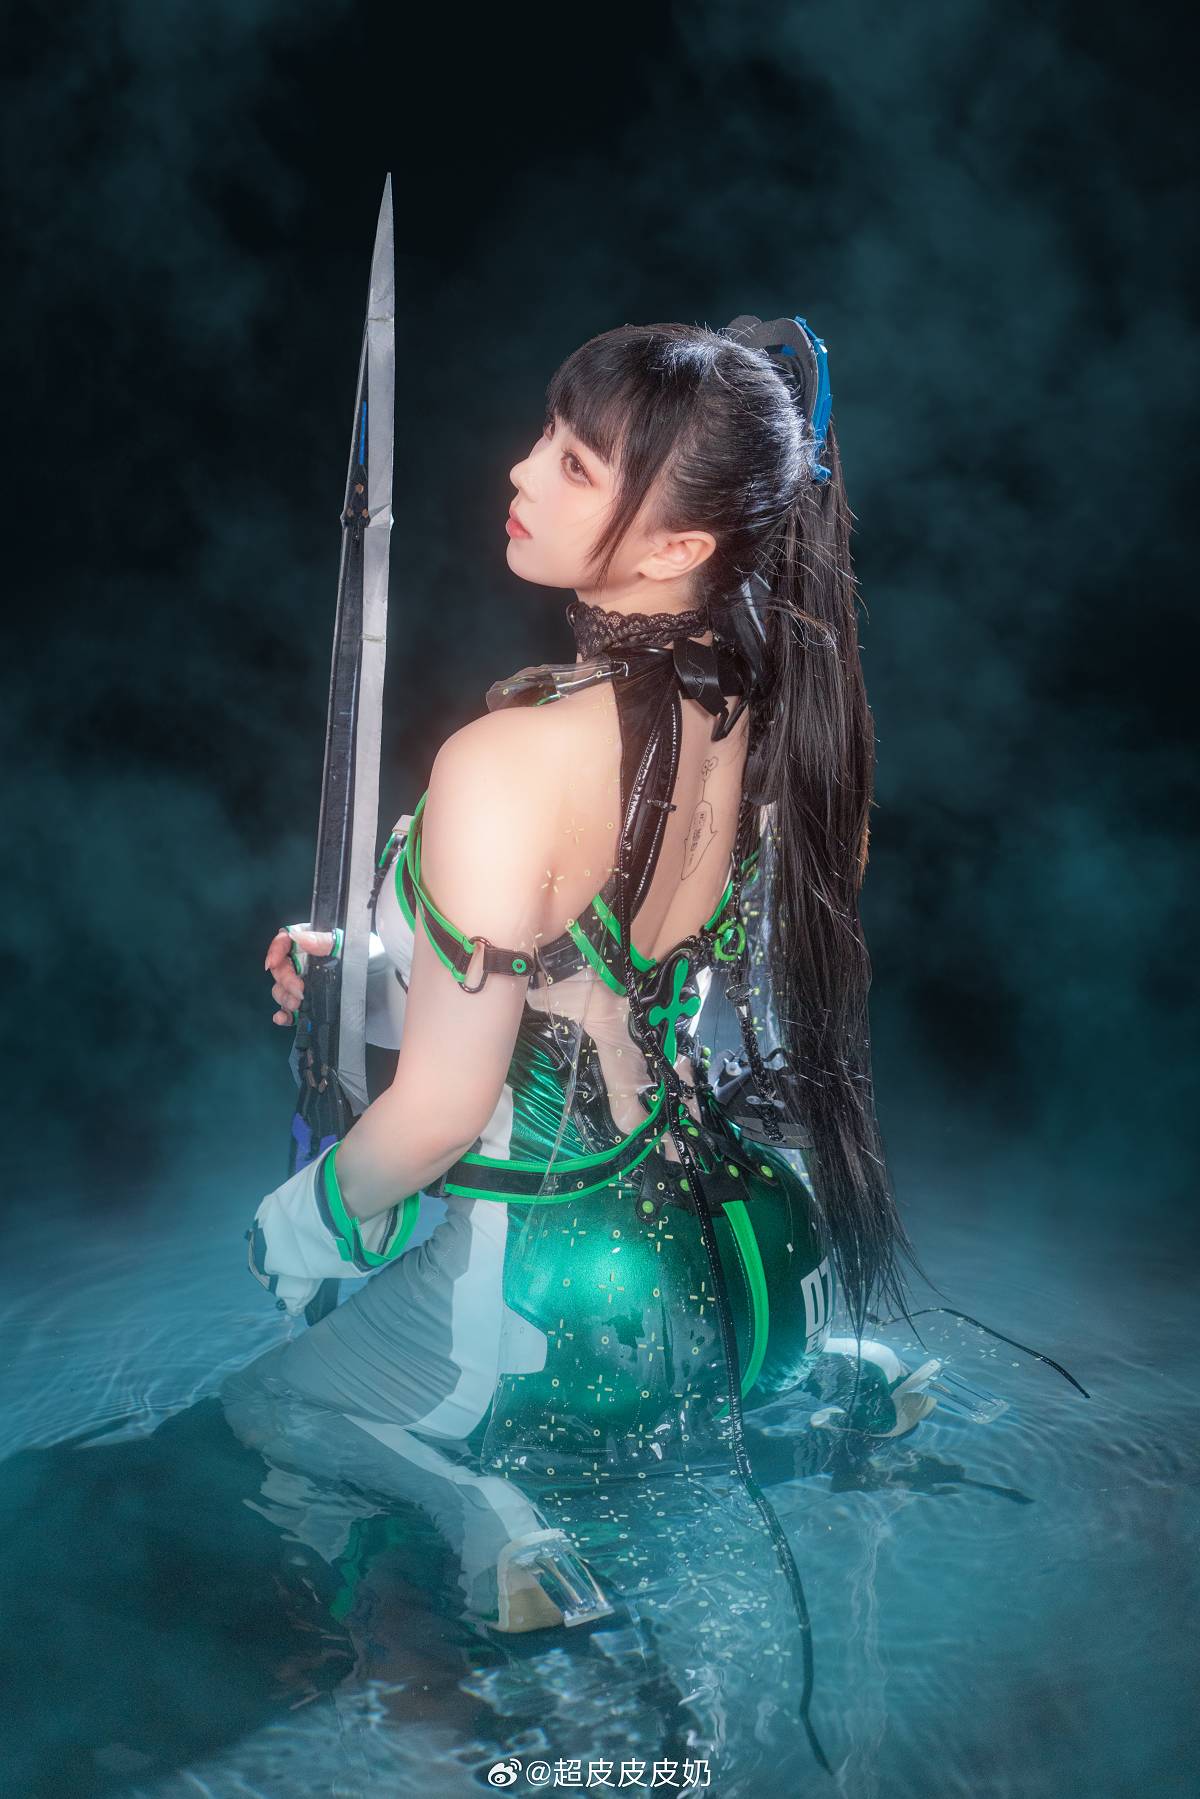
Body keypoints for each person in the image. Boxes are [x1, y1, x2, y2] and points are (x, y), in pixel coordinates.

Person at [220, 316, 949, 1648]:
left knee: (269, 1408)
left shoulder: (509, 759)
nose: (519, 470)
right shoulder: (775, 713)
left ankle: (487, 1520)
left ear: (676, 547)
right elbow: (601, 986)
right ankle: (841, 1386)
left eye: (573, 463)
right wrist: (369, 969)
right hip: (752, 1258)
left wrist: (300, 1227)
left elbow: (440, 1119)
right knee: (708, 1389)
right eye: (549, 437)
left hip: (559, 1298)